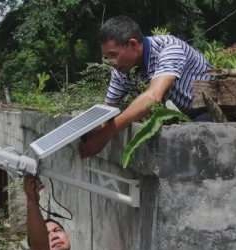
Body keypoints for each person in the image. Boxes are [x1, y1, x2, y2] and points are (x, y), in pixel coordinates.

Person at [79, 16, 213, 159]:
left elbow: (153, 97)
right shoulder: (121, 69)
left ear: (133, 45)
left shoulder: (170, 48)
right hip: (172, 120)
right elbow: (108, 108)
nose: (111, 62)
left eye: (113, 54)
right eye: (107, 56)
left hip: (204, 114)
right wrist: (91, 134)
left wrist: (104, 135)